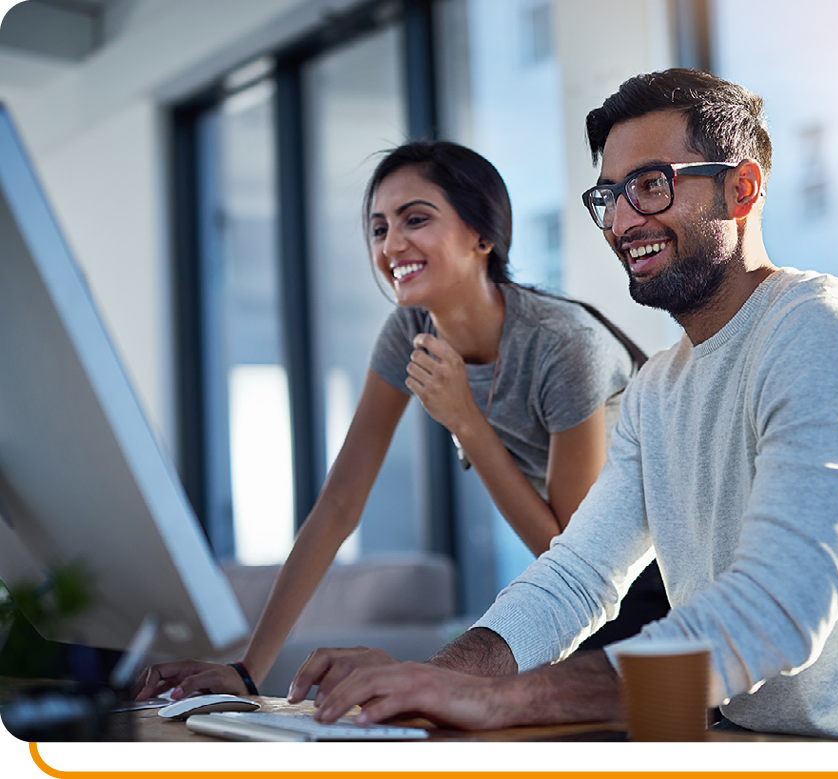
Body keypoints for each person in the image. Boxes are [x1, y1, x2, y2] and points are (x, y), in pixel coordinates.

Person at [282, 69, 838, 745]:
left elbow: (779, 610)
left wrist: (502, 699)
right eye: (609, 195)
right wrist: (436, 679)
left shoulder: (818, 329)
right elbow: (576, 577)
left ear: (742, 190)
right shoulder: (660, 386)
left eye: (651, 185)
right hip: (750, 739)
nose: (623, 219)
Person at [133, 140, 666, 701]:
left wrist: (466, 423)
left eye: (416, 219)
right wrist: (246, 671)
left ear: (482, 237)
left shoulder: (563, 346)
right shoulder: (408, 330)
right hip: (578, 594)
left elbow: (567, 552)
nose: (392, 244)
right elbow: (338, 506)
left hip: (657, 575)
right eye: (379, 228)